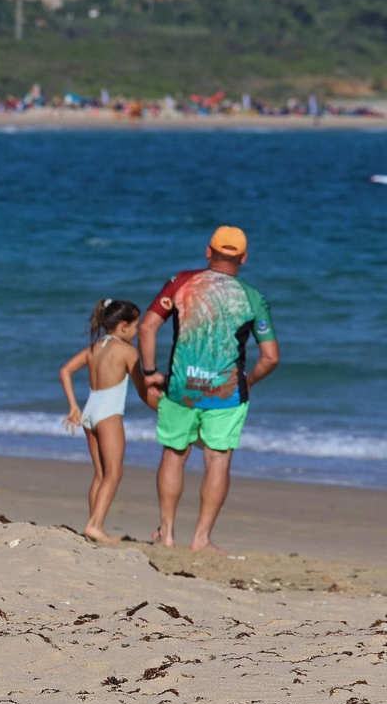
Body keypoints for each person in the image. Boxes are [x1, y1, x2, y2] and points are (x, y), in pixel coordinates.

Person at [139, 226, 279, 552]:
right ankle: (201, 539)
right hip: (227, 393)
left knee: (174, 455)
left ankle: (168, 533)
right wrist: (249, 381)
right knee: (217, 460)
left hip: (180, 387)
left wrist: (150, 373)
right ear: (243, 258)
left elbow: (147, 327)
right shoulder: (253, 297)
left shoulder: (181, 281)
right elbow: (270, 357)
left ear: (208, 252)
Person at [59, 299, 151, 544]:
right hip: (108, 414)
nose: (138, 331)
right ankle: (95, 525)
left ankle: (93, 525)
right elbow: (142, 391)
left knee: (100, 474)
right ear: (123, 327)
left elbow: (65, 370)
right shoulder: (128, 351)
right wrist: (163, 406)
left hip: (89, 411)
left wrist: (73, 406)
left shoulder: (95, 347)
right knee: (115, 472)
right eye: (136, 326)